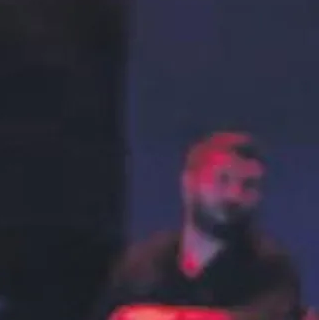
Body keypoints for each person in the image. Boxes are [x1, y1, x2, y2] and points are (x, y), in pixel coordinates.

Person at [90, 132, 302, 320]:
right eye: (222, 180)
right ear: (189, 183)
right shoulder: (142, 263)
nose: (234, 196)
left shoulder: (271, 268)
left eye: (249, 185)